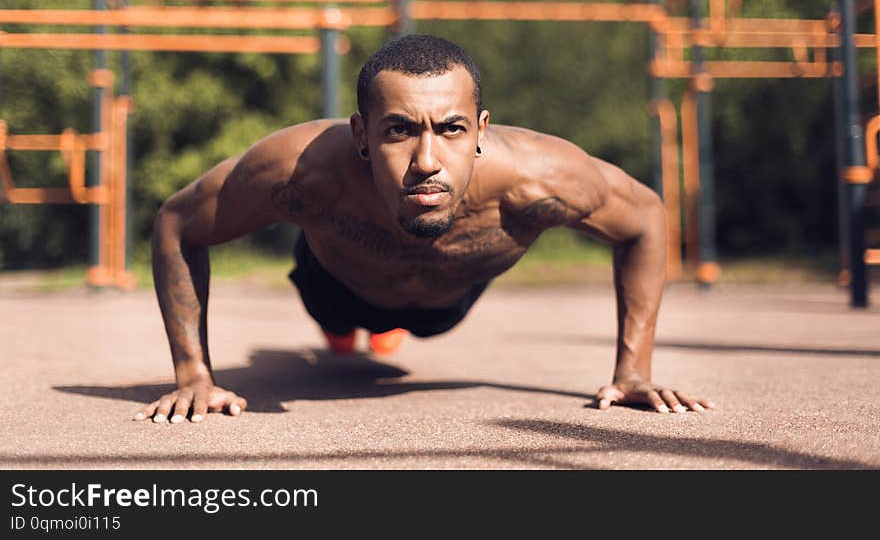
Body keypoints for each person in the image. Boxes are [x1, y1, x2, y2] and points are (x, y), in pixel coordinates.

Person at [134, 34, 714, 424]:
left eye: (452, 129)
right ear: (361, 135)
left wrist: (633, 372)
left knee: (412, 330)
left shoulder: (541, 180)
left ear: (481, 130)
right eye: (399, 131)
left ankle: (382, 335)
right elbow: (177, 222)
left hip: (448, 300)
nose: (427, 159)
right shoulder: (303, 171)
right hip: (334, 282)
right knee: (337, 324)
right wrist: (193, 374)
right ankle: (346, 334)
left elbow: (645, 218)